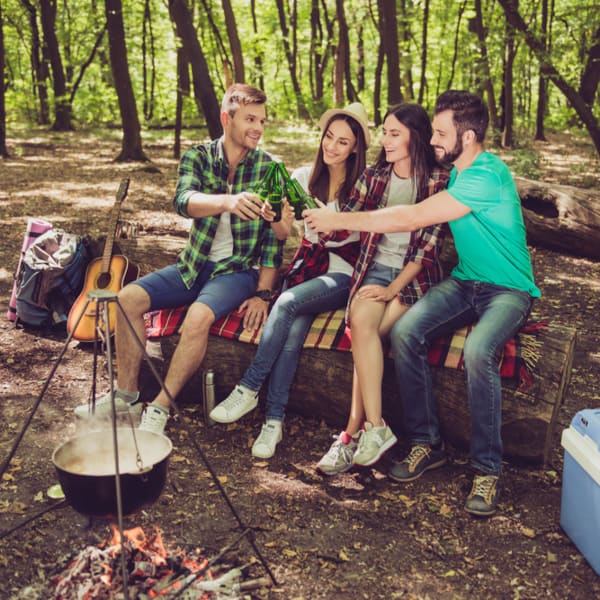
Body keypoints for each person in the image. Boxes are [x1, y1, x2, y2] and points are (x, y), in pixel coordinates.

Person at [305, 90, 540, 517]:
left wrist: (338, 219)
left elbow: (410, 218)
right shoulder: (452, 173)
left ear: (466, 137)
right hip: (466, 281)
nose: (433, 139)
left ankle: (487, 468)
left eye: (440, 132)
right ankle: (425, 442)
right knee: (407, 331)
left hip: (509, 290)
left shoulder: (485, 175)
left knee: (479, 350)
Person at [73, 83, 288, 434]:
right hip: (193, 265)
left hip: (236, 272)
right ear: (226, 118)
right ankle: (126, 397)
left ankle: (159, 407)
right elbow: (183, 200)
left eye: (263, 121)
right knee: (127, 298)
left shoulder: (269, 168)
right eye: (250, 119)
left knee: (199, 315)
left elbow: (273, 242)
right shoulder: (199, 156)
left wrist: (263, 294)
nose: (258, 128)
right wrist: (227, 201)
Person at [208, 102, 371, 459]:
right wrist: (275, 217)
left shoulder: (365, 185)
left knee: (286, 302)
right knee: (293, 331)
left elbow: (368, 237)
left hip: (343, 273)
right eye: (329, 137)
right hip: (308, 267)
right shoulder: (301, 177)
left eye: (343, 142)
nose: (332, 146)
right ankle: (274, 422)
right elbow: (285, 233)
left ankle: (249, 387)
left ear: (355, 147)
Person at [315, 103, 449, 475]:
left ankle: (351, 433)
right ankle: (375, 427)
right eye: (385, 132)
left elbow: (427, 250)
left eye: (394, 134)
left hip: (412, 276)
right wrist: (322, 221)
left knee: (367, 336)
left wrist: (392, 290)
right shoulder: (375, 176)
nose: (386, 141)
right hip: (373, 270)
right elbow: (345, 221)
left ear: (415, 138)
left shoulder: (439, 179)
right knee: (361, 324)